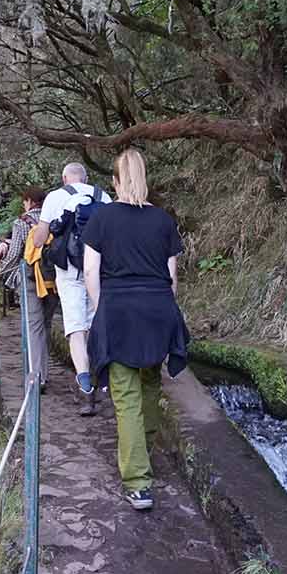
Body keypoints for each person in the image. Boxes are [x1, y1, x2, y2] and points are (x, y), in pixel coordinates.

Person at [82, 149, 189, 511]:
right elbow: (172, 278)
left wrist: (102, 310)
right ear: (145, 178)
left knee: (126, 396)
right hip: (158, 309)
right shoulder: (163, 220)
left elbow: (90, 272)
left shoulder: (102, 218)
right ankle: (143, 454)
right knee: (151, 384)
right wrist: (163, 311)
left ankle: (139, 483)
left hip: (120, 311)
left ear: (115, 181)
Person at [38, 162, 112, 415]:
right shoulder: (104, 196)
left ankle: (86, 389)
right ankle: (104, 380)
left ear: (64, 178)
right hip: (99, 269)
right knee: (95, 323)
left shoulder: (55, 197)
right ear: (86, 178)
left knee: (75, 328)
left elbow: (39, 239)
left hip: (68, 270)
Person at [0, 188, 56, 393]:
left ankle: (37, 377)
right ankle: (44, 373)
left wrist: (0, 271)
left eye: (25, 201)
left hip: (31, 278)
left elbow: (15, 253)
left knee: (34, 327)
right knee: (46, 325)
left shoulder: (22, 222)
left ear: (29, 201)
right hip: (53, 278)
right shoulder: (54, 218)